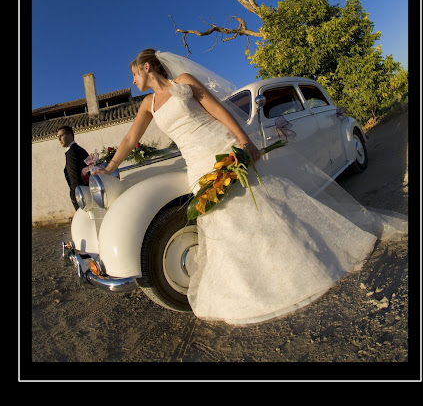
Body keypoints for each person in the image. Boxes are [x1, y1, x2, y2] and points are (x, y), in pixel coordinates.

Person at [93, 49, 407, 325]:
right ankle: (252, 284)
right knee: (223, 221)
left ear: (147, 67)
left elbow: (216, 108)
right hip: (196, 163)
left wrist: (243, 141)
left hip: (220, 146)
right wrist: (109, 167)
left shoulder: (184, 82)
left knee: (263, 205)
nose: (133, 81)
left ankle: (302, 260)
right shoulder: (147, 104)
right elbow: (130, 139)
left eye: (134, 74)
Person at [57, 125, 90, 211]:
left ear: (70, 135)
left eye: (61, 136)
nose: (59, 139)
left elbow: (74, 176)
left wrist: (76, 195)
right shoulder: (79, 149)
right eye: (58, 137)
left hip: (81, 195)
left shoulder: (72, 152)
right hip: (86, 191)